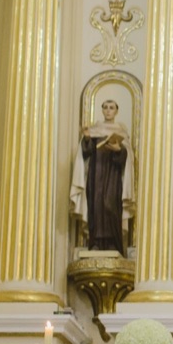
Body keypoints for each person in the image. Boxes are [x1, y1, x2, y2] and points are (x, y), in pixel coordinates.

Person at [71, 98, 133, 255]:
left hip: (113, 175)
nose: (108, 110)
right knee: (96, 206)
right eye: (105, 107)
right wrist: (86, 138)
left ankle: (113, 242)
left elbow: (126, 158)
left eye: (111, 107)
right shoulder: (94, 130)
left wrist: (119, 149)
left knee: (110, 205)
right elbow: (86, 152)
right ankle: (96, 242)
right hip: (96, 174)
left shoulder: (121, 131)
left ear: (116, 111)